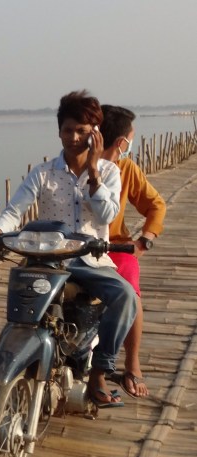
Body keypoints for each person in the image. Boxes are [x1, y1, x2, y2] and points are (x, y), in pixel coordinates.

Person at [0, 90, 138, 407]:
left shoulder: (109, 172)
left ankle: (100, 371)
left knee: (126, 296)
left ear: (96, 134)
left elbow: (107, 215)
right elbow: (14, 210)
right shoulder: (43, 173)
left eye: (82, 131)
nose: (74, 137)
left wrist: (92, 173)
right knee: (23, 307)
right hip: (47, 258)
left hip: (91, 260)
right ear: (59, 131)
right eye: (68, 130)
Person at [100, 104, 166, 398]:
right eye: (132, 137)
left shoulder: (125, 168)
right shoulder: (72, 164)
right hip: (72, 246)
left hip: (115, 246)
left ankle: (132, 362)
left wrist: (144, 240)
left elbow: (156, 205)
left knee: (131, 289)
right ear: (121, 142)